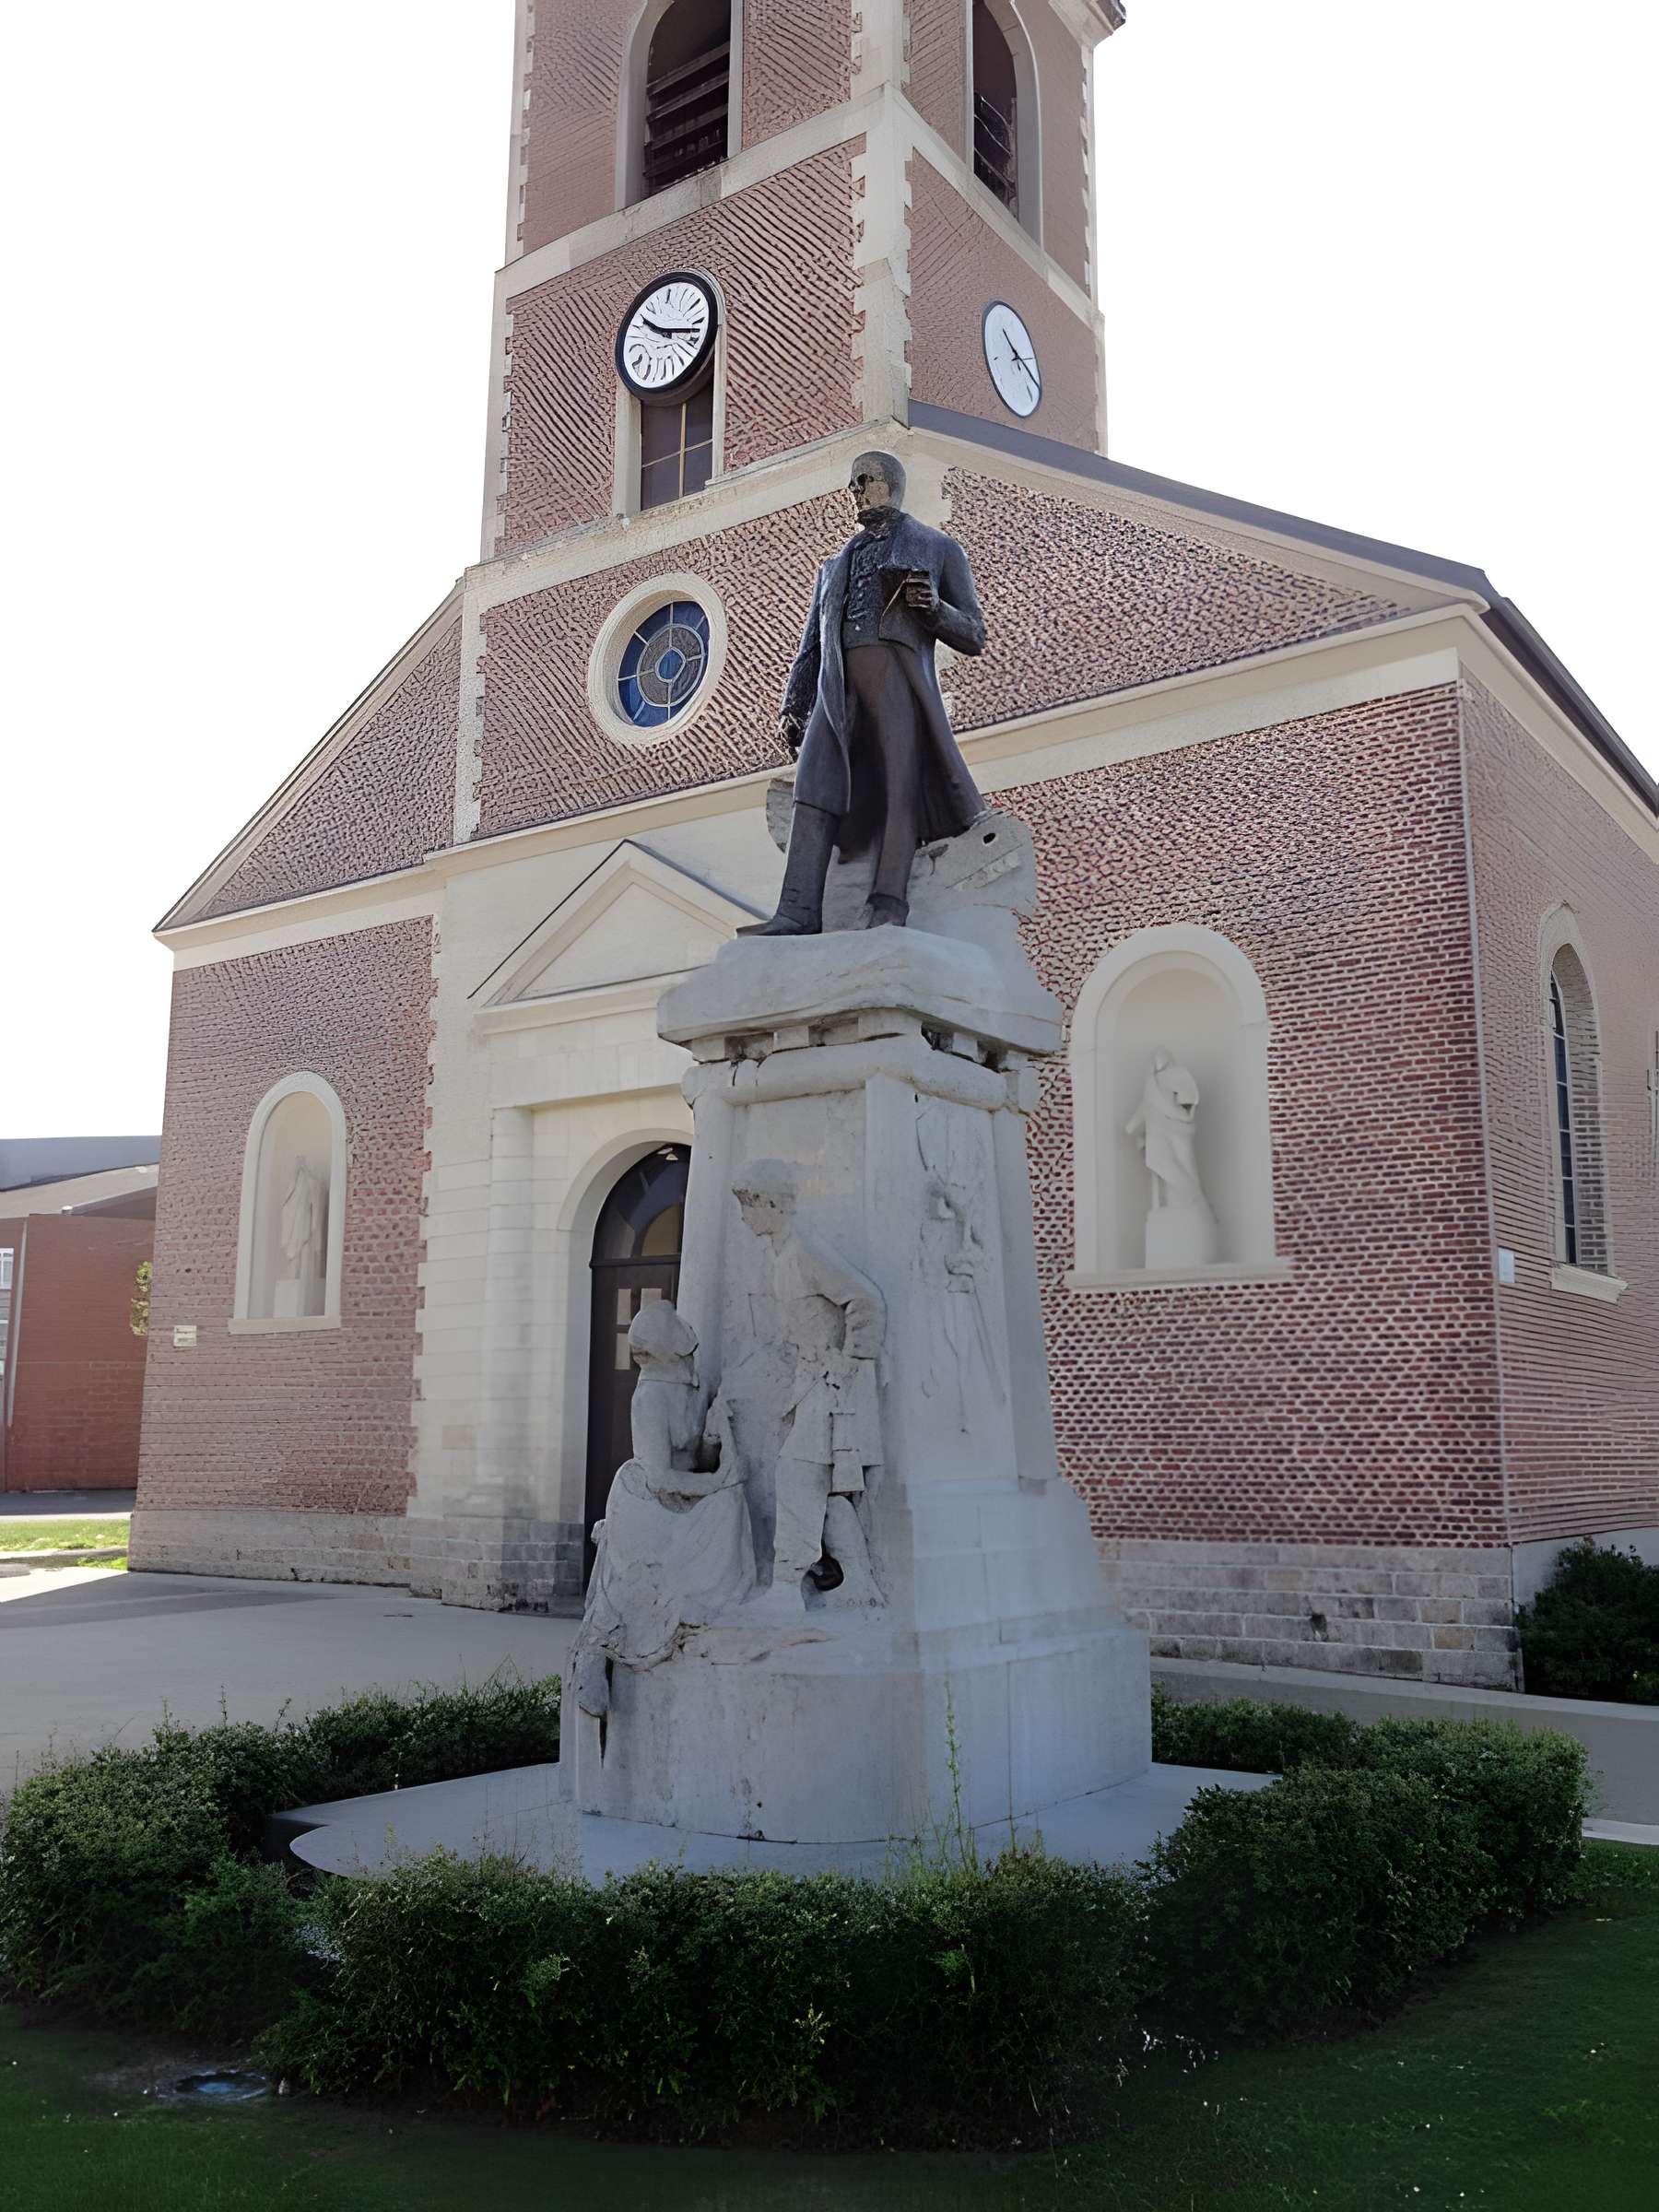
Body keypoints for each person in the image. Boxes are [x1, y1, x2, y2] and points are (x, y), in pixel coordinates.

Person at [741, 450, 987, 935]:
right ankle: (796, 912)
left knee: (900, 784)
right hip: (837, 684)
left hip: (897, 676)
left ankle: (888, 902)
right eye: (853, 482)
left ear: (891, 483)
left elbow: (974, 634)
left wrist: (934, 609)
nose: (854, 490)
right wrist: (794, 705)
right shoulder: (832, 567)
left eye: (864, 479)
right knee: (813, 786)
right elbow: (811, 645)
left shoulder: (937, 547)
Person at [571, 1300, 752, 1719]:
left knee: (732, 1505)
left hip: (687, 1492)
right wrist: (715, 1483)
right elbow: (660, 1477)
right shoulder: (650, 1397)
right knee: (637, 1576)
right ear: (666, 1346)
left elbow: (697, 1457)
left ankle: (708, 1604)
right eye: (673, 1324)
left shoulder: (691, 1387)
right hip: (647, 1501)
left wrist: (713, 1440)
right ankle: (595, 1653)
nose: (686, 1329)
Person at [731, 1159, 885, 1616]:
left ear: (771, 1204)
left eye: (748, 1206)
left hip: (831, 1386)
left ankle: (786, 1586)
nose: (744, 1216)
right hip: (807, 1382)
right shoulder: (780, 1256)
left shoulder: (805, 1250)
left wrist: (851, 1360)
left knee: (798, 1475)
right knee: (823, 1486)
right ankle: (857, 1582)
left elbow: (866, 1300)